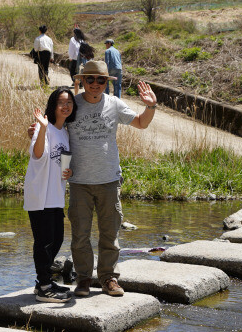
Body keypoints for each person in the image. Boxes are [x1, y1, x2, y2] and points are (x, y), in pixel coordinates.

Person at [28, 60, 158, 297]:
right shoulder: (72, 105)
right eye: (90, 79)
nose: (95, 84)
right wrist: (36, 130)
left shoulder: (114, 104)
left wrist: (150, 107)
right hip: (79, 183)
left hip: (108, 179)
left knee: (110, 233)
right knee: (80, 235)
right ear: (82, 81)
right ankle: (84, 279)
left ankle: (109, 278)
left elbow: (140, 123)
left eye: (100, 80)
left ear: (106, 83)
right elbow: (55, 128)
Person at [24, 86, 77, 303]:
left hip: (56, 194)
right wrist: (43, 128)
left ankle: (42, 282)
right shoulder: (41, 128)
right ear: (53, 105)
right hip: (40, 194)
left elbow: (62, 162)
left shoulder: (64, 132)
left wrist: (69, 171)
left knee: (56, 240)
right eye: (61, 102)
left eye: (69, 103)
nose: (65, 106)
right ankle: (45, 287)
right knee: (44, 242)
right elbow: (38, 155)